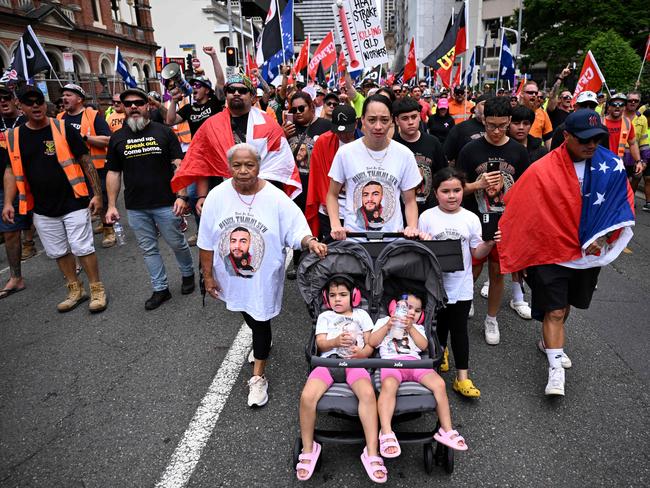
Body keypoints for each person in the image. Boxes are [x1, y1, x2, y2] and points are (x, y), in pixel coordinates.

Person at [498, 110, 635, 396]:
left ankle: (550, 345)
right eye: (584, 139)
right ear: (566, 136)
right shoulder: (543, 167)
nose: (591, 145)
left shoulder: (611, 165)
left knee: (568, 305)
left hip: (587, 255)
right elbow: (522, 206)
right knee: (555, 310)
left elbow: (623, 204)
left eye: (597, 139)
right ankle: (555, 369)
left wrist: (606, 237)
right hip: (552, 251)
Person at [198, 143, 327, 407]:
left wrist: (309, 241)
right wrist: (208, 276)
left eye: (249, 165)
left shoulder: (275, 197)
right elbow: (206, 240)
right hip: (231, 276)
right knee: (247, 313)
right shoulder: (216, 196)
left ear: (259, 166)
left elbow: (295, 225)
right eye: (237, 165)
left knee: (260, 319)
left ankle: (258, 377)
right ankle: (262, 344)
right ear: (229, 167)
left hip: (264, 275)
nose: (243, 171)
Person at [2, 86, 107, 313]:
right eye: (29, 102)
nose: (36, 106)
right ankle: (75, 289)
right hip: (41, 207)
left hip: (74, 201)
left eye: (39, 101)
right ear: (21, 106)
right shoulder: (14, 136)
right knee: (58, 251)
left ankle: (97, 289)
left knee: (82, 246)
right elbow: (11, 170)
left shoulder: (62, 127)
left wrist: (97, 194)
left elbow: (85, 160)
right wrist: (9, 202)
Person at [105, 88, 195, 310]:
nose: (133, 107)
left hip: (166, 202)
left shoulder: (164, 132)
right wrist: (110, 206)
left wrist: (182, 195)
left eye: (138, 103)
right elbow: (114, 173)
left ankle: (188, 274)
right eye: (128, 104)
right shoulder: (117, 138)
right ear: (124, 109)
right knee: (148, 249)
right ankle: (160, 289)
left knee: (177, 243)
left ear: (148, 106)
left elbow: (178, 165)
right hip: (136, 206)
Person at [418, 167, 500, 398]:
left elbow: (477, 251)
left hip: (461, 285)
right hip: (434, 285)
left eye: (457, 190)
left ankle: (462, 377)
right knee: (436, 325)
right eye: (446, 191)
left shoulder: (470, 218)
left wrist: (490, 243)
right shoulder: (427, 217)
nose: (452, 196)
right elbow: (420, 253)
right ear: (436, 192)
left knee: (459, 328)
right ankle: (438, 357)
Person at [296, 275, 385, 482]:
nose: (338, 299)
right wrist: (335, 340)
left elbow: (371, 343)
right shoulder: (325, 317)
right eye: (333, 295)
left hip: (354, 363)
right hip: (329, 363)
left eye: (343, 295)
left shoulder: (361, 315)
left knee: (368, 394)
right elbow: (320, 343)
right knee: (307, 397)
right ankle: (309, 447)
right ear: (327, 299)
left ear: (353, 296)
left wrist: (362, 353)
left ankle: (372, 450)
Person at [457, 96, 530, 344]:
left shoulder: (519, 152)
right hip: (475, 222)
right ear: (483, 121)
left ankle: (492, 318)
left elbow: (525, 192)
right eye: (490, 125)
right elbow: (456, 188)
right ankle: (465, 302)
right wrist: (477, 184)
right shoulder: (470, 149)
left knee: (498, 272)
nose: (496, 131)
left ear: (509, 121)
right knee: (472, 267)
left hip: (505, 225)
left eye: (501, 125)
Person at [171, 73, 301, 212]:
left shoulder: (268, 124)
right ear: (226, 95)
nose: (236, 93)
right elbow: (202, 162)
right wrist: (202, 196)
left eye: (242, 90)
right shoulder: (211, 125)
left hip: (262, 198)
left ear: (252, 97)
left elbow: (281, 163)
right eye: (231, 90)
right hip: (225, 197)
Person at [369, 292, 468, 459]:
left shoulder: (419, 328)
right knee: (389, 386)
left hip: (414, 363)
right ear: (394, 308)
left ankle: (446, 428)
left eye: (417, 311)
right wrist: (387, 326)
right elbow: (372, 342)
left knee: (439, 384)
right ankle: (386, 432)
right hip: (391, 363)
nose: (411, 313)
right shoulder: (384, 322)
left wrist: (411, 328)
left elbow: (423, 346)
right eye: (407, 308)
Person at [326, 95, 422, 239]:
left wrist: (412, 227)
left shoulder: (404, 154)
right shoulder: (345, 153)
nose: (378, 126)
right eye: (372, 120)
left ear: (391, 121)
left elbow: (409, 201)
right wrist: (335, 225)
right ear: (362, 120)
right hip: (354, 240)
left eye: (384, 120)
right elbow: (332, 195)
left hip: (392, 240)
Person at [57, 83, 115, 248]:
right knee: (82, 201)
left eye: (68, 95)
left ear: (79, 99)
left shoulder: (92, 115)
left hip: (96, 167)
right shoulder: (59, 118)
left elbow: (108, 140)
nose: (64, 98)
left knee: (101, 197)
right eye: (64, 95)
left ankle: (109, 230)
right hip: (71, 169)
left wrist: (83, 137)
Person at [282, 91, 332, 278]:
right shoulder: (289, 128)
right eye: (293, 110)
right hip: (295, 188)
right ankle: (298, 262)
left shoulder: (326, 126)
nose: (297, 113)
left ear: (311, 107)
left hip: (318, 186)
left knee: (318, 224)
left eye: (301, 108)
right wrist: (281, 134)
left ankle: (322, 261)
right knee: (296, 226)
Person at [305, 104, 360, 241]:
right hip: (328, 210)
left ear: (357, 123)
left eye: (347, 131)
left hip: (357, 212)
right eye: (339, 131)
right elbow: (317, 176)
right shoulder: (323, 141)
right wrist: (325, 201)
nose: (343, 135)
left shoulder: (366, 143)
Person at [392, 97, 447, 213]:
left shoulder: (433, 143)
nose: (410, 122)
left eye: (414, 117)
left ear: (419, 117)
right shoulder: (392, 145)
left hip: (429, 210)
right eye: (405, 118)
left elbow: (443, 175)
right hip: (400, 211)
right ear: (396, 121)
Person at [0, 84, 29, 298]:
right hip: (5, 186)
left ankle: (70, 264)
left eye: (6, 97)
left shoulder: (28, 120)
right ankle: (16, 277)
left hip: (33, 183)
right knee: (10, 232)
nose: (2, 101)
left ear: (15, 100)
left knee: (50, 226)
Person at [602, 93, 645, 182]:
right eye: (614, 104)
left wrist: (638, 161)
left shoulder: (627, 123)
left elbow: (633, 144)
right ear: (609, 107)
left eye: (621, 104)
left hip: (618, 165)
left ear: (624, 107)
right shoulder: (600, 122)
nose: (617, 107)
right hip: (602, 165)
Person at [443, 94, 489, 165]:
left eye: (490, 104)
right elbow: (446, 156)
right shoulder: (460, 128)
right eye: (484, 104)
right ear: (475, 108)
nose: (487, 107)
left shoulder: (502, 129)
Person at [621, 91, 649, 195]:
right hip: (619, 156)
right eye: (630, 100)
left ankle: (630, 199)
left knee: (637, 177)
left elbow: (644, 140)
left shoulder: (642, 119)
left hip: (634, 157)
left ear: (639, 102)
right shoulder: (619, 116)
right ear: (626, 102)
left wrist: (644, 160)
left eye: (636, 100)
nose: (633, 102)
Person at [519, 81, 553, 148]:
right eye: (530, 93)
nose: (534, 95)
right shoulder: (513, 112)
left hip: (535, 155)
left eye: (536, 93)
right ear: (522, 94)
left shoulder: (543, 114)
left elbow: (548, 139)